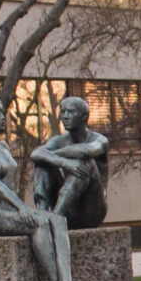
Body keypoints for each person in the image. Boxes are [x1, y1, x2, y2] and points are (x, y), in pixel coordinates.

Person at [0, 96, 82, 281]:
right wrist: (21, 207)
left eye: (2, 112)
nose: (2, 117)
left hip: (10, 210)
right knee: (37, 223)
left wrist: (21, 207)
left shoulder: (2, 147)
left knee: (57, 220)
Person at [30, 95, 111, 230]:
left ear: (84, 116)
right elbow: (36, 154)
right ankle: (42, 216)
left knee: (84, 162)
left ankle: (55, 217)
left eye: (71, 112)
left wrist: (52, 156)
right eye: (63, 112)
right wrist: (64, 162)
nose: (65, 116)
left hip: (92, 210)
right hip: (68, 210)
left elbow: (86, 151)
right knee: (42, 163)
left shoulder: (99, 140)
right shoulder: (58, 140)